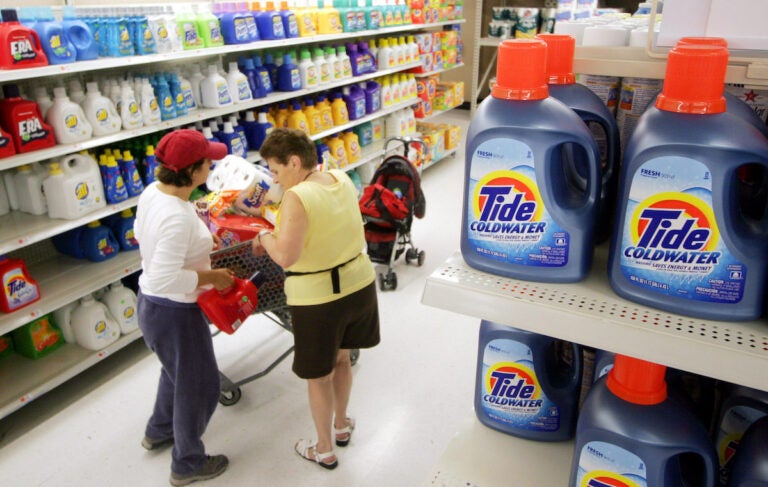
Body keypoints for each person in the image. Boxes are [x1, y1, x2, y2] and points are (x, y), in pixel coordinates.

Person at [252, 128, 380, 470]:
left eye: (276, 171)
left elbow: (285, 257)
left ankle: (323, 448)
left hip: (321, 298)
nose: (276, 179)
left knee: (317, 376)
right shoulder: (339, 177)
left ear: (294, 162)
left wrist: (264, 235)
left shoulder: (297, 197)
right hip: (359, 285)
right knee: (341, 360)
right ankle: (341, 425)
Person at [134, 129, 236, 486]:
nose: (212, 166)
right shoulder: (175, 216)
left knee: (176, 373)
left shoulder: (154, 193)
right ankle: (187, 463)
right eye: (207, 162)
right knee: (202, 386)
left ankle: (160, 430)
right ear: (192, 171)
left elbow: (140, 233)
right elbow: (166, 277)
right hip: (174, 310)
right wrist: (210, 276)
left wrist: (197, 232)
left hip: (150, 305)